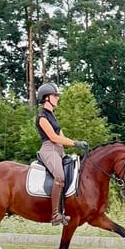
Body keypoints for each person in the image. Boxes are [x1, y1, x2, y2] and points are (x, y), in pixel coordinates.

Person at [35, 83, 88, 225]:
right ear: (46, 98)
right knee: (59, 176)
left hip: (59, 150)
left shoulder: (52, 116)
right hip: (49, 150)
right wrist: (75, 143)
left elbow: (62, 137)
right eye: (55, 95)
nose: (57, 98)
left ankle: (67, 207)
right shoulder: (42, 117)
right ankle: (55, 215)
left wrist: (76, 144)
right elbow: (53, 137)